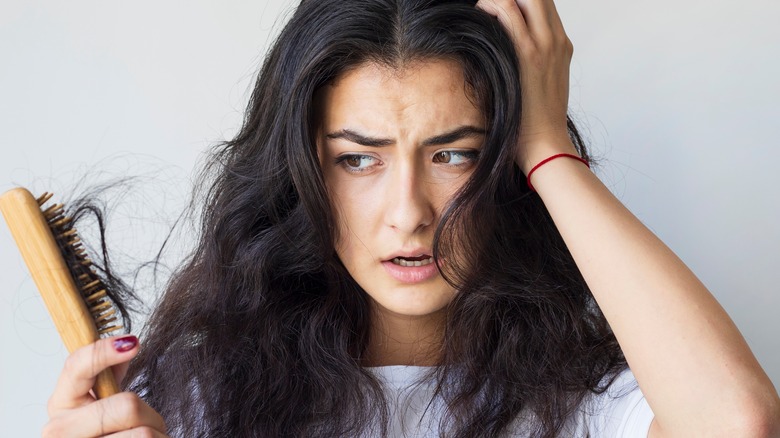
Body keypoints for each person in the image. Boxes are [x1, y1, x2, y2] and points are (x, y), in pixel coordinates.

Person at [42, 0, 780, 436]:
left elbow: (737, 422)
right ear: (300, 171)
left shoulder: (588, 403)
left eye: (453, 155)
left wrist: (547, 143)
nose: (409, 215)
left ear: (505, 167)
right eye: (358, 160)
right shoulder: (196, 397)